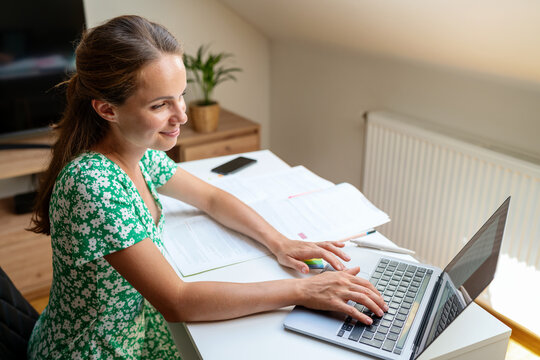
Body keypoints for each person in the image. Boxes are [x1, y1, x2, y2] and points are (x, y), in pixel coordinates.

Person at [27, 15, 387, 359]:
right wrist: (303, 290)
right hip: (95, 349)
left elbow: (212, 197)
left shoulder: (138, 152)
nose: (181, 115)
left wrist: (280, 242)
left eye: (180, 94)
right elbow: (177, 300)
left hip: (134, 326)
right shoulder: (92, 185)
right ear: (108, 110)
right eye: (160, 104)